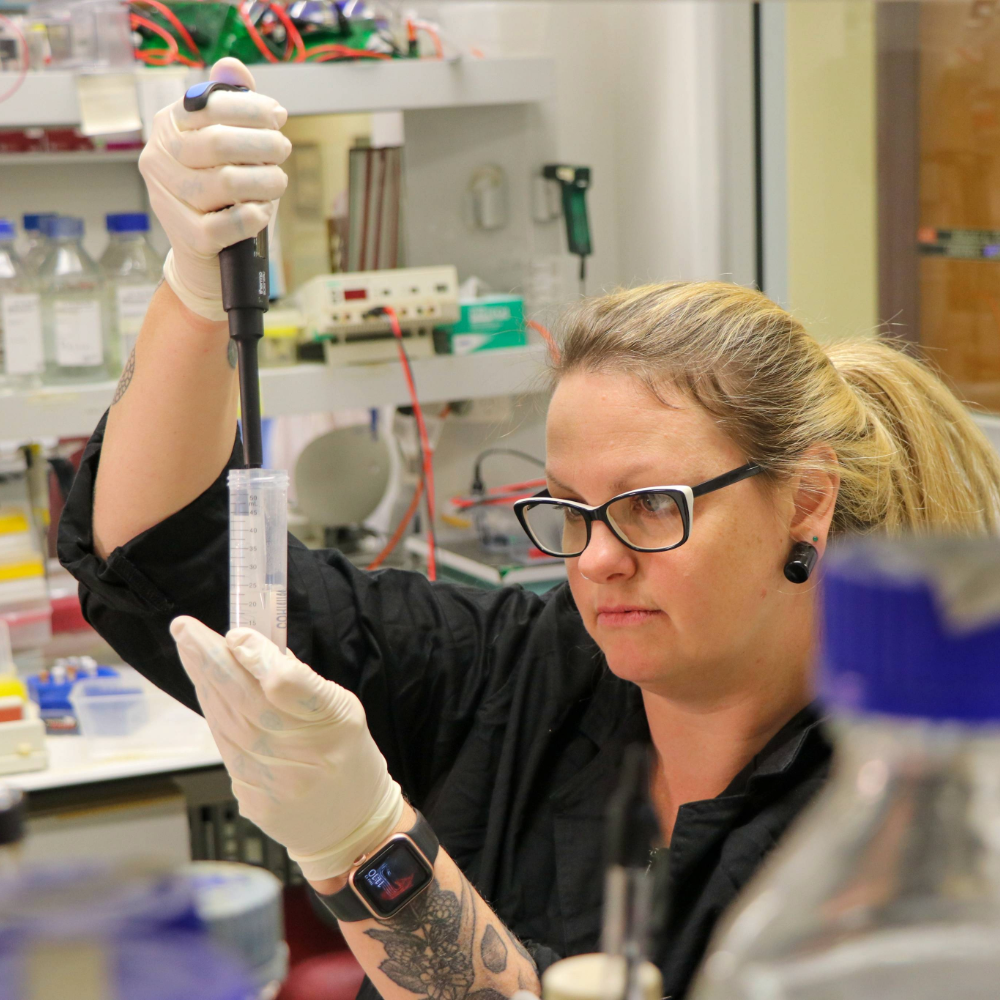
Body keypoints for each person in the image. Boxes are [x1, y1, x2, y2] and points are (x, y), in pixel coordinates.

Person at [58, 58, 1000, 1000]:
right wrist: (193, 280)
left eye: (649, 507)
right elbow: (162, 557)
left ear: (804, 499)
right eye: (570, 510)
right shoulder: (528, 675)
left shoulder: (899, 821)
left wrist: (366, 844)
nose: (595, 561)